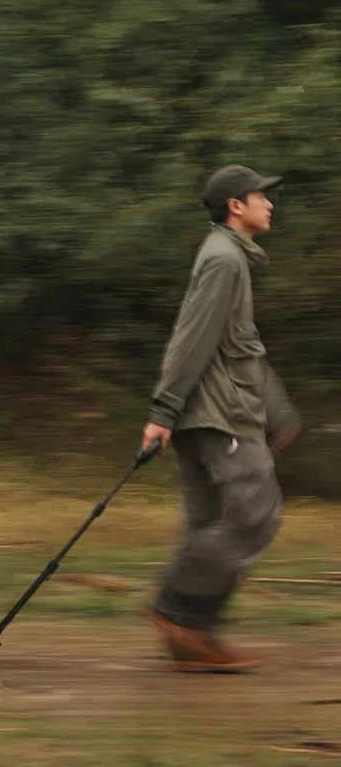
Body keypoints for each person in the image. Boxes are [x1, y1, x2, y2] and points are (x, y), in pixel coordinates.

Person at [140, 164, 301, 672]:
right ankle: (175, 610)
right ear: (236, 205)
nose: (269, 203)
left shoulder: (229, 257)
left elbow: (240, 347)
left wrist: (276, 410)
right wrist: (163, 410)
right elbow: (193, 337)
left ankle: (192, 636)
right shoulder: (224, 260)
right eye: (260, 195)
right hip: (221, 417)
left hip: (216, 412)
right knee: (254, 517)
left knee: (210, 523)